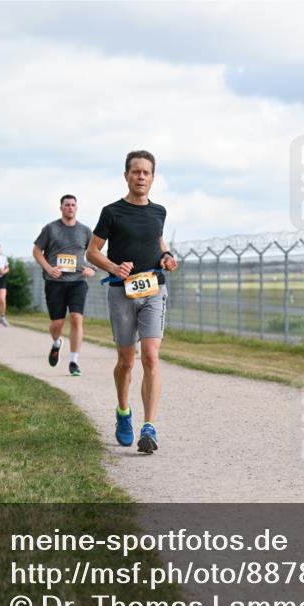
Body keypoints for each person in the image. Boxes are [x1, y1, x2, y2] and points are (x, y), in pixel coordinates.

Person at [86, 150, 179, 453]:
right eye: (136, 171)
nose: (141, 177)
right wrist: (114, 267)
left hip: (154, 288)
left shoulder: (159, 211)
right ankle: (123, 411)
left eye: (146, 172)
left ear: (153, 177)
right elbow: (92, 252)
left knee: (150, 357)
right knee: (126, 361)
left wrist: (166, 256)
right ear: (126, 175)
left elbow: (158, 240)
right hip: (121, 292)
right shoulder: (112, 212)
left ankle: (149, 427)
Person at [34, 195, 96, 376]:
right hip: (55, 282)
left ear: (77, 208)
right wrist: (48, 268)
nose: (70, 207)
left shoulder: (85, 231)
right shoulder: (50, 228)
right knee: (57, 323)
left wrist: (91, 269)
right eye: (67, 205)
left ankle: (74, 362)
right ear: (61, 208)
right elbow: (37, 251)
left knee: (76, 318)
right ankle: (56, 343)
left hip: (78, 281)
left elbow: (94, 253)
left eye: (73, 205)